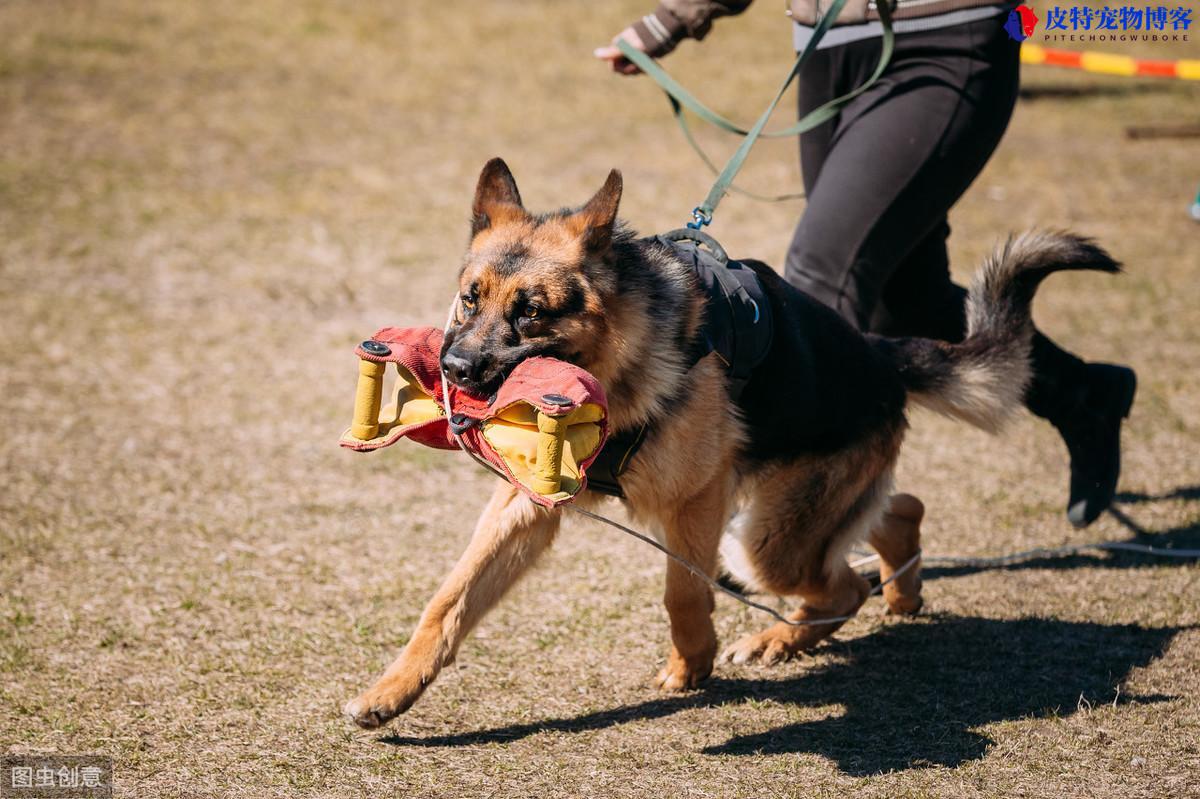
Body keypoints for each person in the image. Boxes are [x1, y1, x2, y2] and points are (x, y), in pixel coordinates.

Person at [595, 0, 1136, 527]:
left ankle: (802, 520)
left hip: (947, 39)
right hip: (828, 46)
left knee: (823, 277)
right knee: (906, 299)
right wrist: (669, 19)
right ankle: (1082, 395)